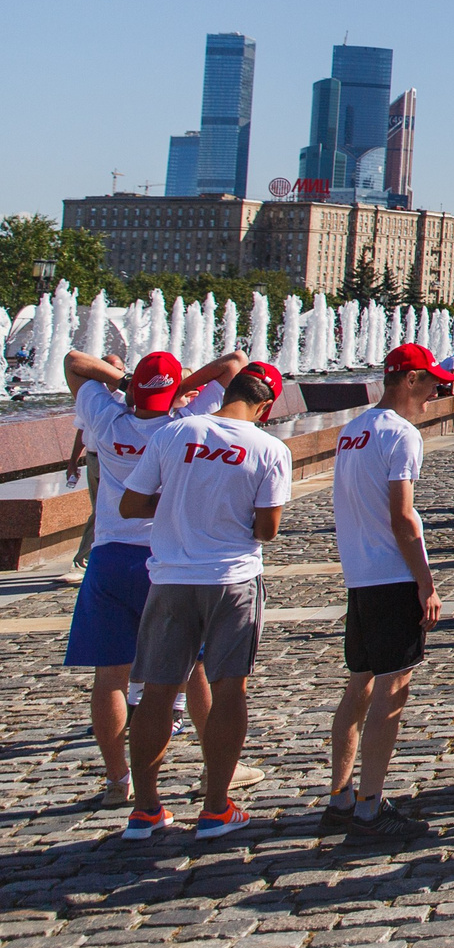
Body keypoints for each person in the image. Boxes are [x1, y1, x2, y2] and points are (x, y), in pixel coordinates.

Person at [115, 360, 292, 842]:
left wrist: (176, 505)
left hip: (170, 577)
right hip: (232, 579)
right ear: (266, 405)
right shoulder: (270, 448)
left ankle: (146, 810)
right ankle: (216, 807)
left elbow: (129, 505)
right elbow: (266, 530)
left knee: (156, 693)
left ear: (227, 391)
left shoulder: (176, 432)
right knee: (229, 690)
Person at [60, 347, 241, 806]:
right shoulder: (185, 425)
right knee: (194, 671)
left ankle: (117, 780)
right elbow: (234, 363)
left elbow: (73, 360)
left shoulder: (109, 419)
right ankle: (215, 773)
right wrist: (179, 391)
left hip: (109, 556)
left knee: (110, 678)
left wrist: (126, 386)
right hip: (167, 561)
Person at [325, 343, 445, 838]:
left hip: (359, 574)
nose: (438, 389)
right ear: (411, 379)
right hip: (391, 575)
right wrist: (426, 581)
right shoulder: (401, 435)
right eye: (432, 381)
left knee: (359, 684)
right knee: (391, 689)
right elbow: (403, 518)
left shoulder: (353, 430)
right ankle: (372, 806)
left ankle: (340, 795)